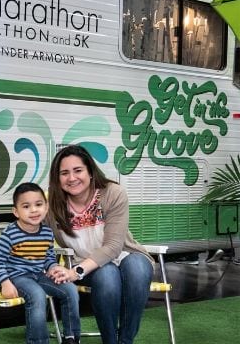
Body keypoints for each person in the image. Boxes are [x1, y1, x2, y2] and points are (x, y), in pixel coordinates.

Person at [45, 145, 154, 344]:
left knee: (137, 267)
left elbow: (113, 247)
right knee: (107, 274)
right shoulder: (52, 205)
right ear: (57, 178)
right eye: (64, 173)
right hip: (87, 267)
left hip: (124, 255)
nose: (72, 178)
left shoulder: (113, 193)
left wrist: (75, 271)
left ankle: (125, 340)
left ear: (90, 171)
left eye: (78, 170)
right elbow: (38, 240)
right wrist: (53, 266)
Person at [0, 182, 81, 344]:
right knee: (37, 295)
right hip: (16, 277)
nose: (33, 210)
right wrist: (4, 282)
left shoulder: (46, 231)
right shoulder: (10, 233)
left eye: (38, 204)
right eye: (26, 206)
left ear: (46, 208)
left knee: (70, 290)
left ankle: (71, 337)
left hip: (39, 275)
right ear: (16, 212)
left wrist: (53, 267)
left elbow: (48, 258)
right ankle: (38, 341)